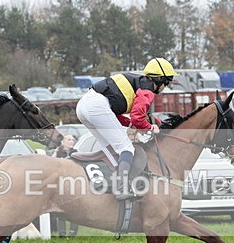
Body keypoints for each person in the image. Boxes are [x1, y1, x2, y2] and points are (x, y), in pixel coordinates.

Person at [75, 57, 177, 200]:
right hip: (96, 106)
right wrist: (150, 127)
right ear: (160, 79)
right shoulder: (148, 89)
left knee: (111, 148)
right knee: (126, 148)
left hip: (83, 106)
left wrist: (133, 124)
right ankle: (122, 188)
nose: (165, 87)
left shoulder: (138, 83)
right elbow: (137, 117)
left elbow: (117, 116)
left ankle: (108, 181)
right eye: (166, 83)